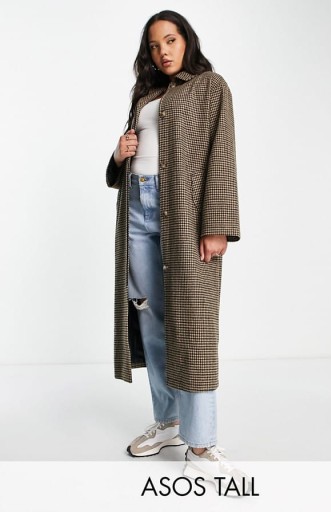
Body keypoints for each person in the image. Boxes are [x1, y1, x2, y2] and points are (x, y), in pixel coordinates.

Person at [106, 10, 247, 493]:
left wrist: (217, 226)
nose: (163, 51)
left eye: (170, 40)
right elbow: (126, 162)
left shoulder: (210, 87)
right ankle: (168, 422)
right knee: (150, 319)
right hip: (137, 209)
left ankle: (202, 445)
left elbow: (221, 156)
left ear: (187, 40)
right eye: (154, 45)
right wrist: (119, 154)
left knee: (193, 324)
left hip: (183, 216)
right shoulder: (145, 95)